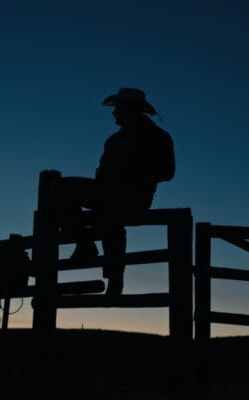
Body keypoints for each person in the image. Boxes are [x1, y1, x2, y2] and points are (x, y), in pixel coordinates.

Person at [56, 87, 175, 296]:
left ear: (130, 109)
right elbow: (101, 173)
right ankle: (85, 245)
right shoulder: (114, 141)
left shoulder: (158, 137)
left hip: (136, 198)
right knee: (60, 188)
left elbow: (167, 172)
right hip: (108, 192)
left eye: (118, 108)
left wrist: (132, 175)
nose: (114, 113)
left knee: (111, 219)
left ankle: (114, 281)